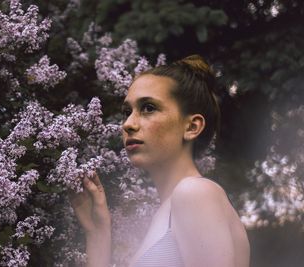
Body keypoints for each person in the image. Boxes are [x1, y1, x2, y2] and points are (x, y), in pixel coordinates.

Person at [68, 55, 250, 267]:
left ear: (192, 127)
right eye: (127, 112)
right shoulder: (168, 212)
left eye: (148, 108)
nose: (128, 124)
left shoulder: (195, 193)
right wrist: (97, 232)